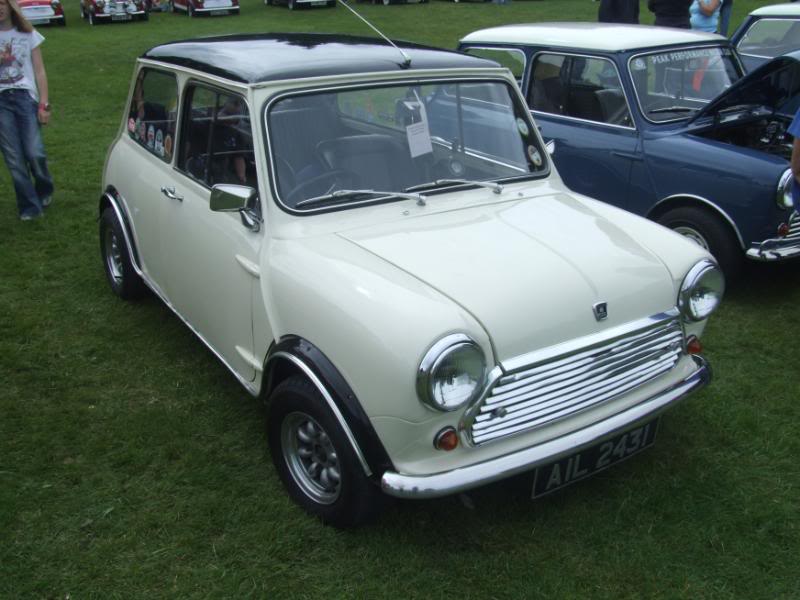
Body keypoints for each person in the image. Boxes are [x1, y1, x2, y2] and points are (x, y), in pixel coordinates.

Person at [0, 0, 53, 221]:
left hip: (25, 99)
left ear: (11, 6)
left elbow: (40, 72)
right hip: (1, 101)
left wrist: (44, 104)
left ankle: (44, 189)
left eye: (2, 3)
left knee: (34, 152)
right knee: (14, 158)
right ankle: (30, 206)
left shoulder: (28, 34)